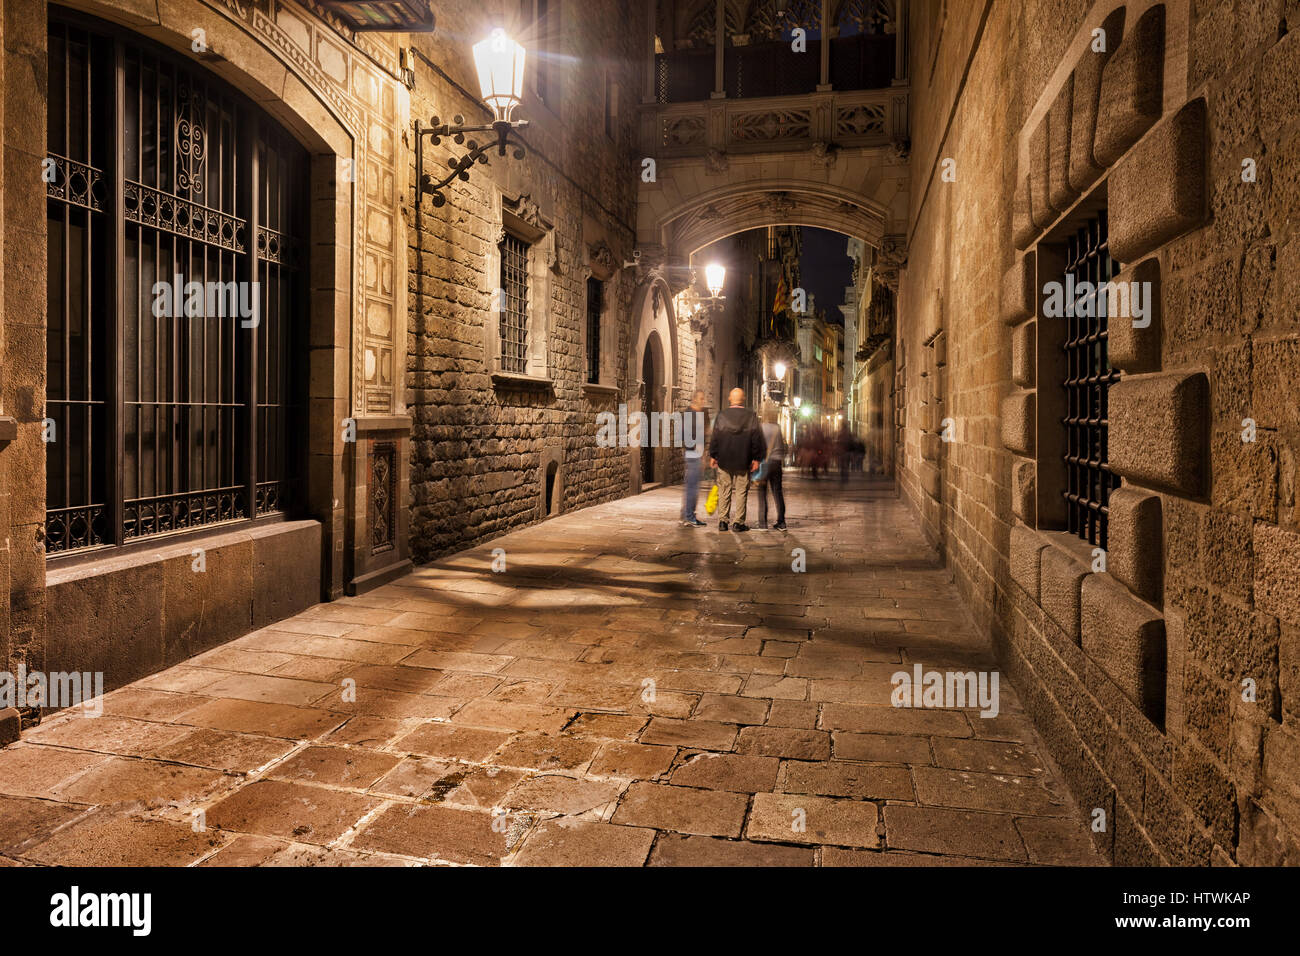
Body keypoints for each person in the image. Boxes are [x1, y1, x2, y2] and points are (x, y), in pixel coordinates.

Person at [708, 387, 764, 533]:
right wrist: (757, 459)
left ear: (730, 399)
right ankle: (738, 523)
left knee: (724, 490)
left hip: (724, 459)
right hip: (743, 459)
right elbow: (756, 439)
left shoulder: (722, 415)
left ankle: (723, 521)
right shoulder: (751, 416)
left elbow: (715, 437)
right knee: (741, 491)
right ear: (743, 399)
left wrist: (713, 455)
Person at [680, 390, 708, 527]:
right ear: (695, 399)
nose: (704, 401)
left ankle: (686, 515)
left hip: (695, 453)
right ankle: (689, 517)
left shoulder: (696, 414)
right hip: (693, 453)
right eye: (701, 398)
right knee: (693, 487)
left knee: (691, 486)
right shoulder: (691, 414)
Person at [756, 406, 787, 531]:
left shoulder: (760, 427)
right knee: (777, 492)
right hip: (777, 463)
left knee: (762, 493)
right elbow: (782, 446)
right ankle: (781, 522)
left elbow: (757, 446)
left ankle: (763, 523)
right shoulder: (778, 428)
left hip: (764, 463)